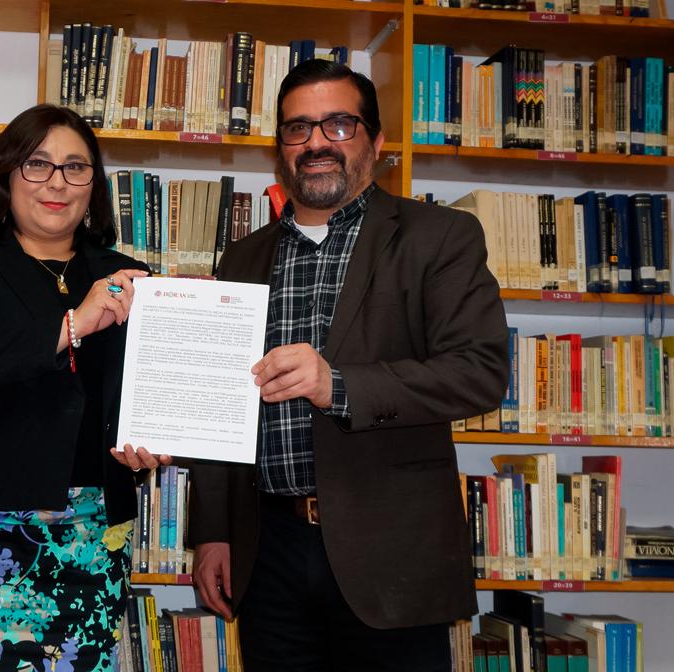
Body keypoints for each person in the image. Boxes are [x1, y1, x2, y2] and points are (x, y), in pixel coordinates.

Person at [185, 60, 509, 670]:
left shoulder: (438, 237)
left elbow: (480, 371)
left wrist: (336, 385)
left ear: (376, 141)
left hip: (391, 552)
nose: (315, 143)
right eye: (297, 128)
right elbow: (217, 409)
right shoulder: (243, 258)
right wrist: (212, 531)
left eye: (337, 124)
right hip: (268, 550)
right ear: (280, 145)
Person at [0, 103, 168, 671]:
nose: (57, 182)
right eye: (39, 164)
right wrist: (72, 324)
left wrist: (154, 440)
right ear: (6, 173)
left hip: (97, 530)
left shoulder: (128, 275)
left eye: (76, 167)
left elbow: (144, 394)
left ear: (93, 186)